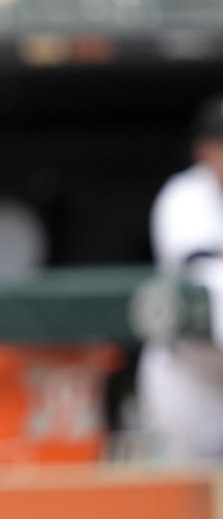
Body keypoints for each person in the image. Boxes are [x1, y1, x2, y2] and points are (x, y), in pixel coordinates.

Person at [138, 94, 223, 461]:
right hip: (186, 375)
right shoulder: (183, 196)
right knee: (181, 502)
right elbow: (203, 265)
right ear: (203, 151)